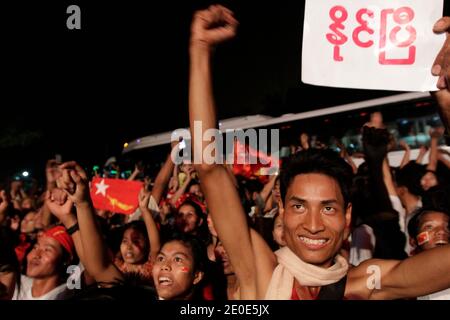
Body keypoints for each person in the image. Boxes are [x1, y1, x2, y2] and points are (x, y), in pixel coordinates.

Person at [189, 4, 450, 300]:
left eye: (328, 208)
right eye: (299, 207)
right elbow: (209, 166)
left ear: (348, 215)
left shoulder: (368, 283)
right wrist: (200, 51)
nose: (313, 226)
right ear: (282, 211)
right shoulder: (258, 270)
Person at [12, 225, 76, 300]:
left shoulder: (65, 295)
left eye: (47, 250)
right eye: (35, 247)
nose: (36, 255)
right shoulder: (15, 286)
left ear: (66, 260)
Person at [407, 206, 450, 299]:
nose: (442, 231)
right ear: (413, 241)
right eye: (429, 227)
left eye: (447, 228)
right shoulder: (405, 279)